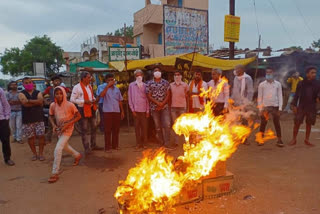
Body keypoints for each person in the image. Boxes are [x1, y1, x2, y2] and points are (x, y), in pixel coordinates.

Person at [48, 87, 82, 183]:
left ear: (64, 94)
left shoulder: (70, 105)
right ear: (54, 95)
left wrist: (68, 124)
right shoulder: (53, 105)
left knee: (58, 148)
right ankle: (77, 155)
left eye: (60, 93)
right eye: (56, 93)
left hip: (68, 129)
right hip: (59, 128)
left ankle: (55, 172)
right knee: (64, 146)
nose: (58, 95)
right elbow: (50, 116)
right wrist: (54, 125)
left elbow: (78, 116)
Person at [289, 66, 320, 147]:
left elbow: (318, 95)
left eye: (315, 73)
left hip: (312, 107)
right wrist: (294, 105)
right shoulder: (301, 83)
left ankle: (307, 140)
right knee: (297, 123)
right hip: (302, 106)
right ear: (307, 74)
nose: (314, 74)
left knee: (309, 124)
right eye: (312, 73)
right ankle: (294, 139)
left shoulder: (317, 83)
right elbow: (296, 96)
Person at [71, 71, 99, 154]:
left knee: (94, 127)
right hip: (82, 110)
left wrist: (93, 99)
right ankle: (87, 148)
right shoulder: (77, 87)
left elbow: (91, 96)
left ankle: (93, 145)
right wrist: (84, 101)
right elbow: (72, 99)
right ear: (83, 78)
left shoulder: (89, 86)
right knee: (84, 129)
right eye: (88, 77)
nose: (90, 79)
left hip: (91, 109)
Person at [18, 77, 46, 161]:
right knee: (30, 138)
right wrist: (36, 102)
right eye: (26, 83)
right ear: (23, 85)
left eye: (29, 82)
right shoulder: (21, 93)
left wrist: (29, 101)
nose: (28, 84)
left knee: (41, 136)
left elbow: (41, 101)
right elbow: (24, 103)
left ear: (32, 83)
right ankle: (34, 154)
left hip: (39, 118)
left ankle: (41, 154)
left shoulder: (38, 92)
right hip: (27, 120)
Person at [146, 66, 173, 149]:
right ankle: (161, 143)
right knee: (158, 127)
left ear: (161, 72)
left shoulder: (166, 83)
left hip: (164, 107)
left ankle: (167, 143)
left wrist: (162, 104)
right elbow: (148, 96)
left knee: (167, 125)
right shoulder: (149, 83)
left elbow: (168, 95)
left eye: (158, 71)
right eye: (155, 71)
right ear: (153, 73)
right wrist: (158, 103)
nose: (157, 72)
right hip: (154, 108)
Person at [257, 67, 284, 147]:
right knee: (263, 123)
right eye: (267, 73)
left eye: (270, 72)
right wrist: (260, 109)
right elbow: (260, 97)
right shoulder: (262, 84)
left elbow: (280, 96)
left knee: (277, 123)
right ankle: (260, 139)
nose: (268, 74)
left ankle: (279, 140)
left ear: (273, 73)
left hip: (275, 106)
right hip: (265, 106)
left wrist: (280, 108)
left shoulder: (278, 84)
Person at [99, 73, 125, 152]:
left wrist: (122, 111)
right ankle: (107, 147)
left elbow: (120, 100)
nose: (111, 81)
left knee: (116, 129)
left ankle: (115, 146)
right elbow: (101, 95)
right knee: (107, 130)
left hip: (116, 111)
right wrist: (107, 86)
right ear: (106, 81)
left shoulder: (117, 89)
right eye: (109, 80)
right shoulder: (103, 88)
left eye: (112, 80)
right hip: (107, 111)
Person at [43, 75, 71, 144]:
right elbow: (42, 94)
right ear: (53, 82)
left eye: (58, 81)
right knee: (50, 125)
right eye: (56, 81)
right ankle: (48, 139)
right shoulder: (49, 89)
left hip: (61, 109)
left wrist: (67, 99)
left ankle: (61, 140)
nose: (57, 82)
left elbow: (71, 92)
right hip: (52, 108)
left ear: (60, 81)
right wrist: (45, 101)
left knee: (61, 124)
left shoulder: (63, 88)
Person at [128, 70, 150, 150]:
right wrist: (132, 110)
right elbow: (130, 98)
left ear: (143, 76)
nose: (139, 77)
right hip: (136, 110)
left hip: (144, 110)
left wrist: (148, 110)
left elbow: (148, 98)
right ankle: (138, 143)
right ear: (135, 77)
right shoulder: (131, 85)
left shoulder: (145, 85)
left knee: (144, 128)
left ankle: (145, 143)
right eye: (137, 75)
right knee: (137, 128)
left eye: (140, 75)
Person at [170, 71, 188, 145]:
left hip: (182, 107)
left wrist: (187, 107)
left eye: (178, 75)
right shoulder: (170, 85)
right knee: (175, 125)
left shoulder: (185, 85)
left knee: (183, 124)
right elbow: (169, 96)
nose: (177, 76)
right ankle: (176, 142)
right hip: (173, 107)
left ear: (181, 76)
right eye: (175, 75)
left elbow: (187, 96)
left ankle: (185, 141)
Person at [0, 87, 15, 166]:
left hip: (2, 120)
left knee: (5, 140)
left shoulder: (0, 90)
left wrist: (6, 117)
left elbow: (5, 104)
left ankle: (7, 158)